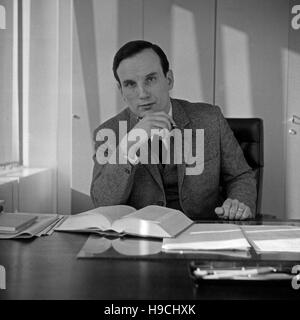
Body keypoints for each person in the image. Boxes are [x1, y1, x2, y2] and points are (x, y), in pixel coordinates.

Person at [90, 40, 257, 220]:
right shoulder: (109, 131)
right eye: (130, 84)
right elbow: (102, 202)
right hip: (140, 239)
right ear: (121, 91)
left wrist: (238, 203)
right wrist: (130, 144)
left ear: (169, 80)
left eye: (150, 79)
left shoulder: (210, 118)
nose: (142, 93)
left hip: (202, 232)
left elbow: (240, 176)